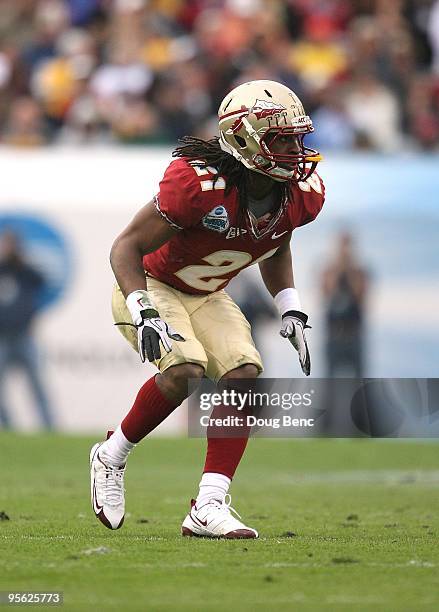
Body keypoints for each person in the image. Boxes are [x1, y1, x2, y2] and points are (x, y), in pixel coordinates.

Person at [90, 80, 325, 538]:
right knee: (184, 370)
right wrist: (142, 308)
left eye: (298, 138)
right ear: (244, 138)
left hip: (206, 294)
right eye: (281, 139)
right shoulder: (199, 183)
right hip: (151, 283)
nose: (296, 150)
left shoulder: (300, 192)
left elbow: (276, 244)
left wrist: (290, 307)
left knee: (242, 373)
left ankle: (209, 505)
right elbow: (126, 247)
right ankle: (111, 455)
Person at [0, 230, 53, 429]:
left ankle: (49, 427)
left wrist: (19, 262)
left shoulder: (23, 271)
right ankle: (7, 428)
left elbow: (41, 280)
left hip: (23, 335)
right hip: (2, 336)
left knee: (37, 385)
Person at [321, 232, 369, 377]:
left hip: (353, 334)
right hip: (334, 334)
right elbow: (327, 293)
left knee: (360, 383)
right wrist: (339, 267)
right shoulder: (329, 270)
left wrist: (349, 269)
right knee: (329, 383)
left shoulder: (359, 272)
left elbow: (360, 297)